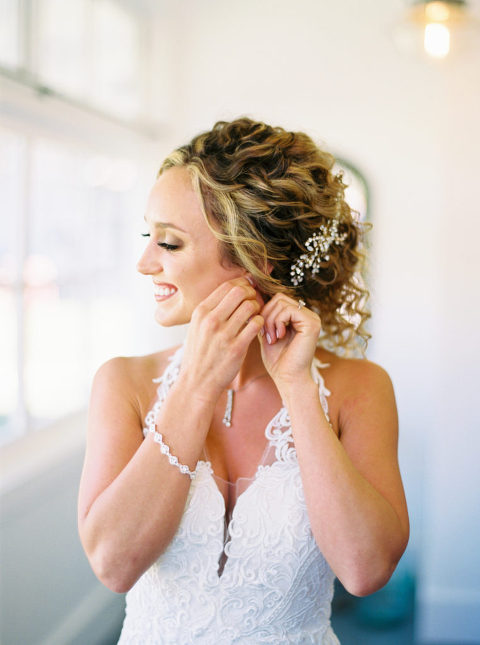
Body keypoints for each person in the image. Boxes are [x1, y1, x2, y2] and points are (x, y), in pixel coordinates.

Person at [78, 117, 409, 644]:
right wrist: (195, 386)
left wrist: (298, 387)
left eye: (169, 242)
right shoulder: (124, 384)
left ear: (255, 258)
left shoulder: (360, 388)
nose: (144, 262)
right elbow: (113, 565)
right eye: (149, 236)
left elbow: (365, 571)